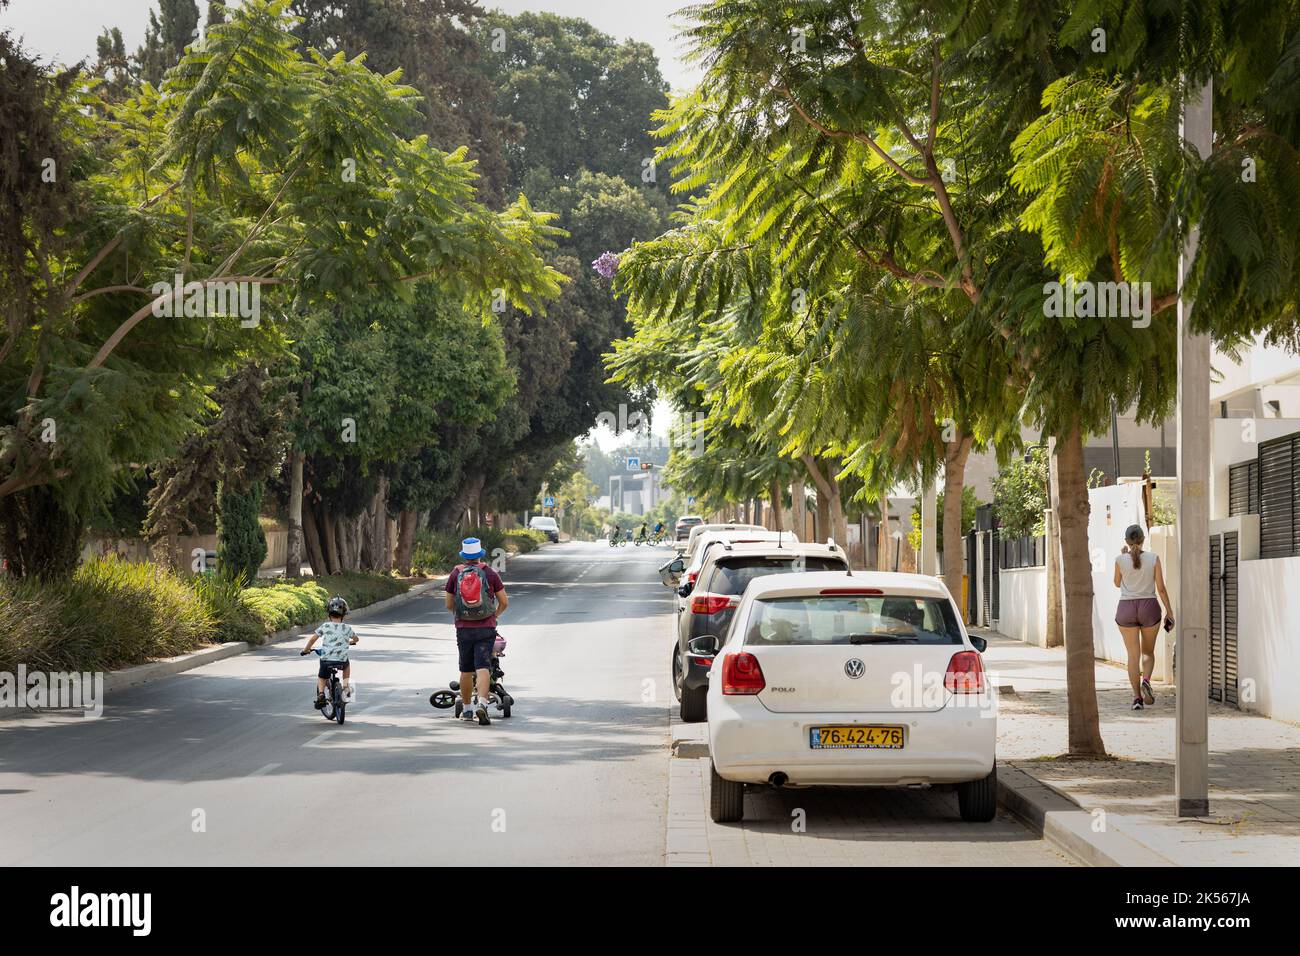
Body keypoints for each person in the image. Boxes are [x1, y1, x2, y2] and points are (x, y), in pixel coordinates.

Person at [445, 537, 508, 723]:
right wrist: (493, 616)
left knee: (465, 669)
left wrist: (462, 614)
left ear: (464, 555)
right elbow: (504, 602)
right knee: (483, 667)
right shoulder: (490, 573)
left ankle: (466, 710)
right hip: (486, 628)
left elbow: (448, 604)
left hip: (464, 628)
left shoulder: (456, 573)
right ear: (480, 554)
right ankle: (482, 703)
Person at [1113, 524, 1174, 711]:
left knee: (1133, 656)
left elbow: (1116, 584)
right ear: (1143, 539)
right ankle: (1146, 680)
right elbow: (1161, 588)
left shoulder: (1120, 560)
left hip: (1126, 608)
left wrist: (1123, 557)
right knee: (1148, 652)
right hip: (1149, 607)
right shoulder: (1153, 559)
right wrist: (1169, 612)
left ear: (1127, 541)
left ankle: (1137, 699)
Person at [301, 596, 358, 708]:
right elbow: (356, 639)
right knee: (346, 665)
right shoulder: (347, 628)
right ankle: (346, 687)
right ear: (344, 614)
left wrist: (306, 650)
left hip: (327, 660)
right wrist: (350, 642)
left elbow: (313, 639)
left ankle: (321, 695)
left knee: (322, 676)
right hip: (341, 660)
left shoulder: (325, 626)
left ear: (329, 613)